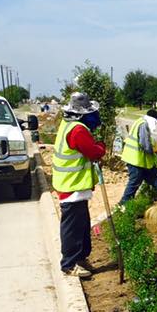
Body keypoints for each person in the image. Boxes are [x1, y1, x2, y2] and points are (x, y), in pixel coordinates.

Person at [52, 92, 106, 278]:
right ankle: (69, 264)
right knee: (72, 227)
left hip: (74, 186)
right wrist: (101, 147)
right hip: (72, 186)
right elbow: (92, 151)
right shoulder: (78, 130)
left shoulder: (68, 125)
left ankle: (80, 258)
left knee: (82, 225)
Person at [119, 107, 157, 204]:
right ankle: (123, 204)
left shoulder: (140, 121)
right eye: (156, 122)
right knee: (134, 182)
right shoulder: (143, 124)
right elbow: (144, 143)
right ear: (152, 119)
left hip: (141, 160)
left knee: (155, 177)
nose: (156, 124)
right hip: (135, 160)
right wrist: (154, 151)